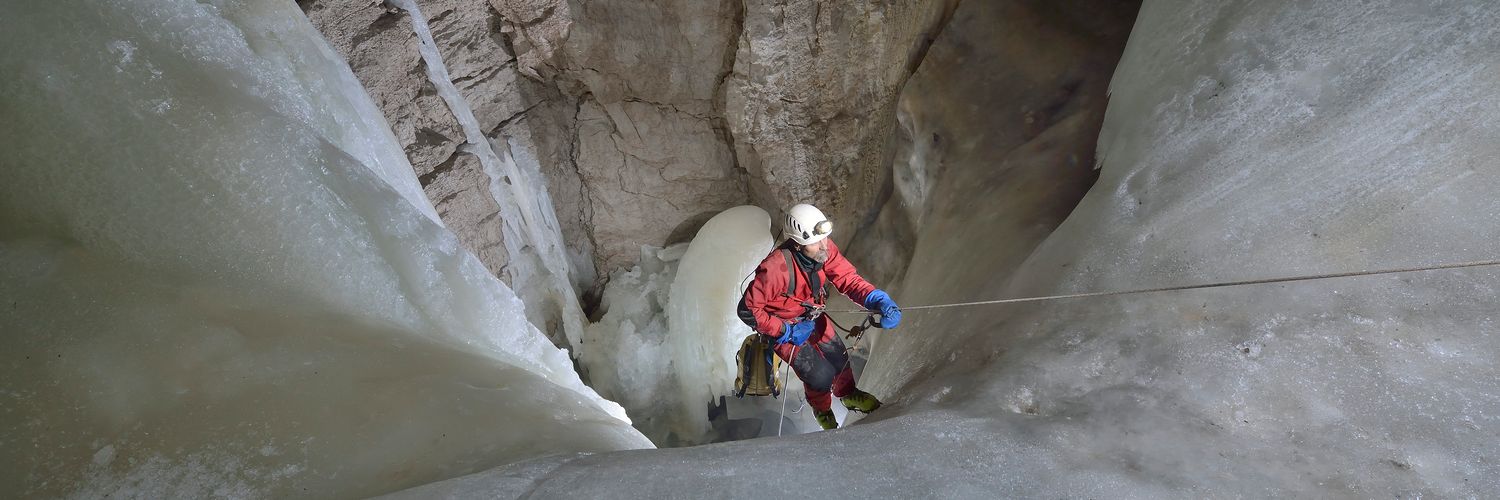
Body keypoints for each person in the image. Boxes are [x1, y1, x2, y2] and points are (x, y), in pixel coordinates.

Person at [741, 203, 902, 430]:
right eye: (816, 242)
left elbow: (848, 279)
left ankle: (848, 394)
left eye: (825, 238)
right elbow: (748, 310)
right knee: (819, 376)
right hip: (786, 330)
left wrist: (876, 299)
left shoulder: (824, 249)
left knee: (838, 356)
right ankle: (823, 410)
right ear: (797, 244)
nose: (824, 245)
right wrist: (784, 331)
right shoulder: (776, 269)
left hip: (813, 318)